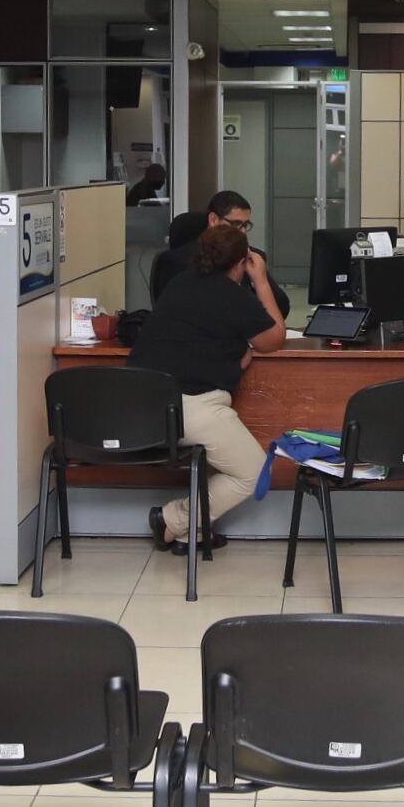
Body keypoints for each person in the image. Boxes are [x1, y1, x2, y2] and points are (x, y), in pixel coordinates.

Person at [128, 223, 286, 554]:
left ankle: (191, 535)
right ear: (241, 263)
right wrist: (260, 280)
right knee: (254, 471)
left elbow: (193, 341)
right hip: (191, 406)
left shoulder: (179, 283)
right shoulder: (234, 296)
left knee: (222, 454)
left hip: (142, 404)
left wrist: (233, 361)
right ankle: (172, 520)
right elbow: (273, 339)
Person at [150, 190, 291, 317]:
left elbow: (282, 309)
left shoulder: (252, 257)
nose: (242, 231)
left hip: (251, 334)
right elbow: (173, 314)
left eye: (245, 225)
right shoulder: (177, 261)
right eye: (235, 224)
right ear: (213, 220)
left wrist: (259, 281)